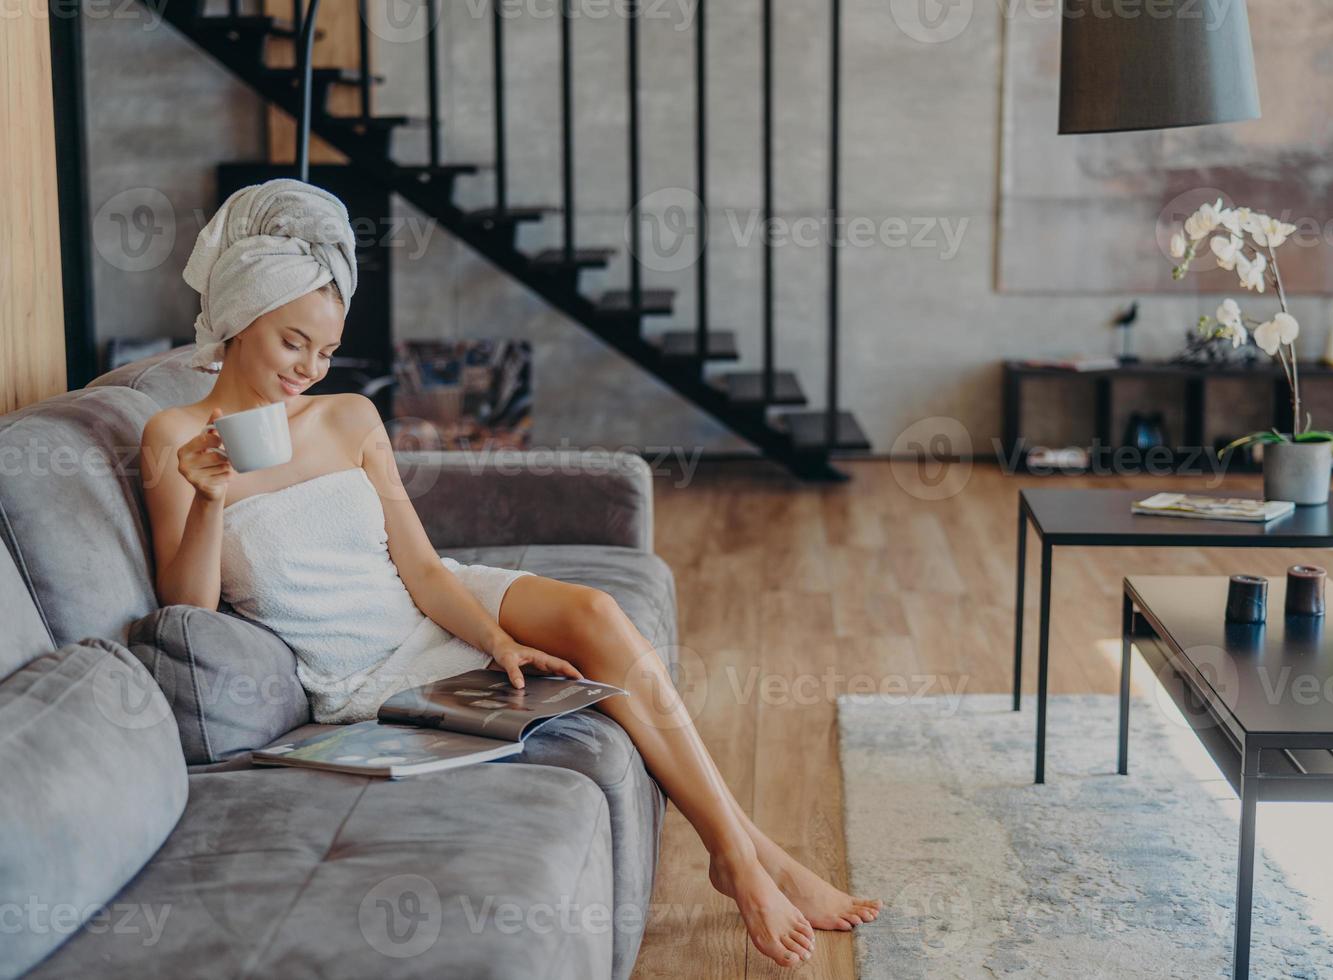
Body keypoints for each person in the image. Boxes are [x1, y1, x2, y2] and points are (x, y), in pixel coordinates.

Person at [139, 180, 880, 969]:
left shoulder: (349, 416)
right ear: (242, 315)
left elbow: (420, 567)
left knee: (594, 614)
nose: (309, 370)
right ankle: (756, 859)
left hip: (428, 609)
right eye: (294, 342)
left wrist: (496, 639)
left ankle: (737, 856)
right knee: (609, 675)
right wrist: (210, 499)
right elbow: (189, 608)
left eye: (324, 351)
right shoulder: (172, 437)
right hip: (366, 672)